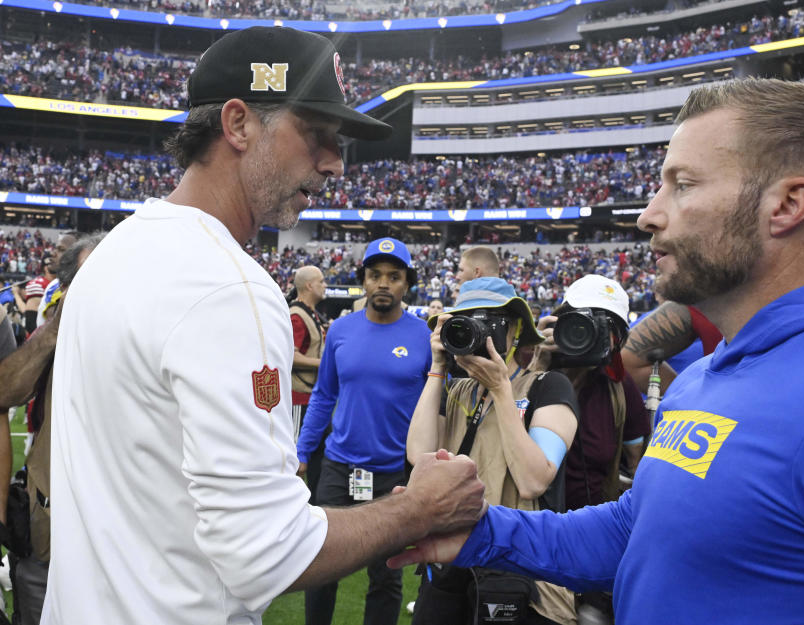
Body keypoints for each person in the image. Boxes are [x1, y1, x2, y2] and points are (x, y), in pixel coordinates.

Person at [388, 78, 804, 623]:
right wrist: (480, 532)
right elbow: (632, 533)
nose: (648, 214)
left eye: (681, 185)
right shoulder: (706, 374)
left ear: (787, 205)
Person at [43, 27, 485, 625]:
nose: (334, 162)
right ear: (239, 124)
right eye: (316, 134)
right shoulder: (229, 286)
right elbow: (266, 552)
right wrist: (419, 509)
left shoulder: (114, 254)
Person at [407, 277, 579, 625]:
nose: (478, 331)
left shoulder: (548, 387)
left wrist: (501, 389)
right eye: (468, 321)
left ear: (514, 330)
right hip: (451, 563)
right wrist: (438, 368)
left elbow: (533, 481)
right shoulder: (457, 391)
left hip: (517, 570)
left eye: (489, 322)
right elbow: (419, 454)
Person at [297, 237, 432, 625]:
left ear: (407, 283)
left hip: (393, 472)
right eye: (375, 276)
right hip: (339, 468)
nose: (384, 283)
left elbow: (435, 405)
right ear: (364, 282)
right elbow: (324, 396)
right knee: (320, 568)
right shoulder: (341, 330)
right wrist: (303, 452)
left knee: (386, 575)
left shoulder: (424, 336)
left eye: (394, 276)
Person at [6, 233, 103, 625]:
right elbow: (6, 390)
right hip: (50, 521)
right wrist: (60, 324)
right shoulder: (54, 332)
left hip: (118, 530)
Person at [530, 275, 648, 511]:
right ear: (559, 322)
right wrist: (534, 364)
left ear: (620, 340)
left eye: (605, 327)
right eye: (580, 323)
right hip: (527, 521)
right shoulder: (528, 371)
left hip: (590, 525)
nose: (590, 333)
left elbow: (637, 467)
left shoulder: (619, 386)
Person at [290, 265, 327, 443]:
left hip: (311, 395)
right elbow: (291, 356)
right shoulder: (296, 317)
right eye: (321, 281)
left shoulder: (309, 313)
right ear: (310, 286)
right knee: (296, 452)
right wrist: (324, 363)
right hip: (299, 396)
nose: (325, 285)